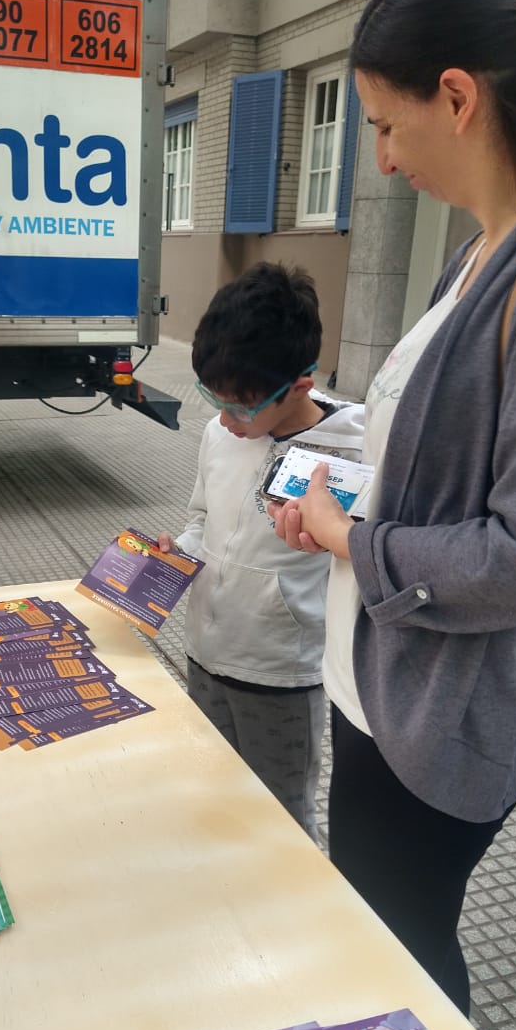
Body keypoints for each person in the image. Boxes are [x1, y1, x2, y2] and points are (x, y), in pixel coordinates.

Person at [269, 0, 516, 1014]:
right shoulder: (480, 254)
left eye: (385, 124)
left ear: (459, 97)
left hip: (440, 719)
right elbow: (434, 472)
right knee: (376, 945)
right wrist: (334, 505)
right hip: (379, 685)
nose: (380, 158)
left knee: (401, 966)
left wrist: (354, 542)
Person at [158, 263, 364, 839]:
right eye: (214, 400)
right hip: (205, 652)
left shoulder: (354, 452)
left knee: (281, 817)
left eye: (242, 407)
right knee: (214, 796)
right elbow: (204, 520)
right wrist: (173, 554)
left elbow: (365, 557)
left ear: (299, 386)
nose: (226, 421)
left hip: (281, 674)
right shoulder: (220, 435)